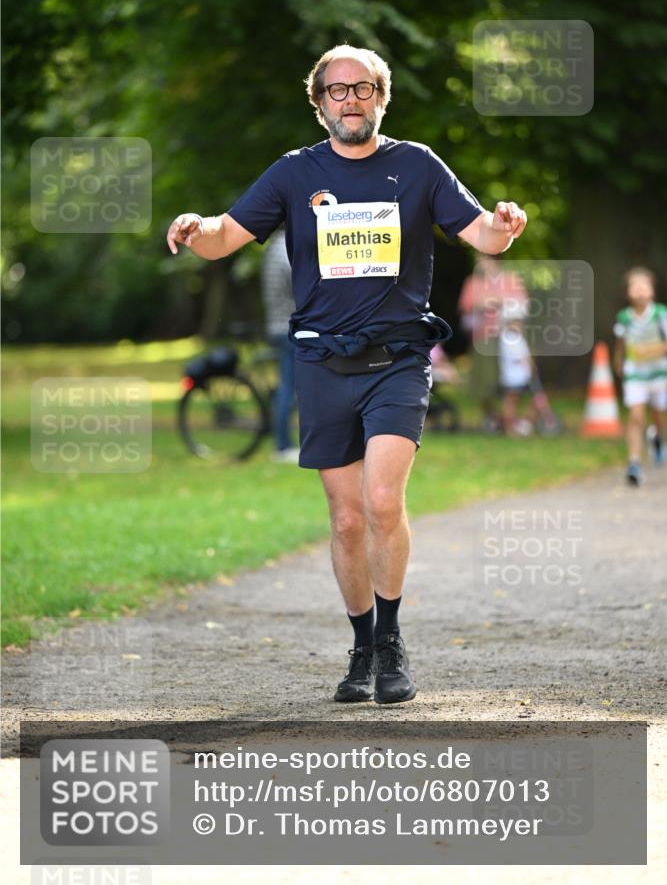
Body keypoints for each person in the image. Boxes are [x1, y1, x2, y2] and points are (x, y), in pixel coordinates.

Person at [167, 44, 527, 705]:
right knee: (346, 520)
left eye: (362, 89)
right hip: (322, 361)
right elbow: (226, 235)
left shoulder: (416, 165)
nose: (350, 100)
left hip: (397, 357)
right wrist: (197, 226)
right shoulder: (291, 174)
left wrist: (505, 227)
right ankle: (360, 645)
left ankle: (391, 645)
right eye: (337, 91)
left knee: (383, 501)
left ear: (381, 97)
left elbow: (481, 234)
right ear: (319, 103)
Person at [457, 256, 528, 431]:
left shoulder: (510, 279)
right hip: (483, 338)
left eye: (482, 258)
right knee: (485, 382)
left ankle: (508, 420)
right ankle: (492, 417)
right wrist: (493, 303)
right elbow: (466, 306)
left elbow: (521, 305)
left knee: (511, 381)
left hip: (507, 338)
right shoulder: (473, 282)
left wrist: (493, 303)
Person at [612, 267, 667, 486]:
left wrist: (651, 351)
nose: (640, 290)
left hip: (658, 373)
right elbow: (621, 342)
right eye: (635, 286)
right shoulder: (624, 317)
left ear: (652, 290)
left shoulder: (661, 314)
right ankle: (634, 462)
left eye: (644, 285)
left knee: (657, 414)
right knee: (635, 416)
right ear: (628, 292)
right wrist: (618, 361)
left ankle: (657, 439)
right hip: (635, 374)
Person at [260, 227, 299, 463]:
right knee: (289, 387)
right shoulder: (285, 249)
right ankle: (283, 445)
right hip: (288, 327)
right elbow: (298, 286)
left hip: (277, 325)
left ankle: (285, 443)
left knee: (288, 385)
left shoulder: (274, 247)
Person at [497, 298, 535, 436]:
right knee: (510, 402)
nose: (520, 324)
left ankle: (519, 425)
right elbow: (519, 356)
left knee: (518, 401)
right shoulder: (509, 337)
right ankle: (509, 428)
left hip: (520, 376)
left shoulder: (516, 337)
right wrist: (528, 362)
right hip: (513, 376)